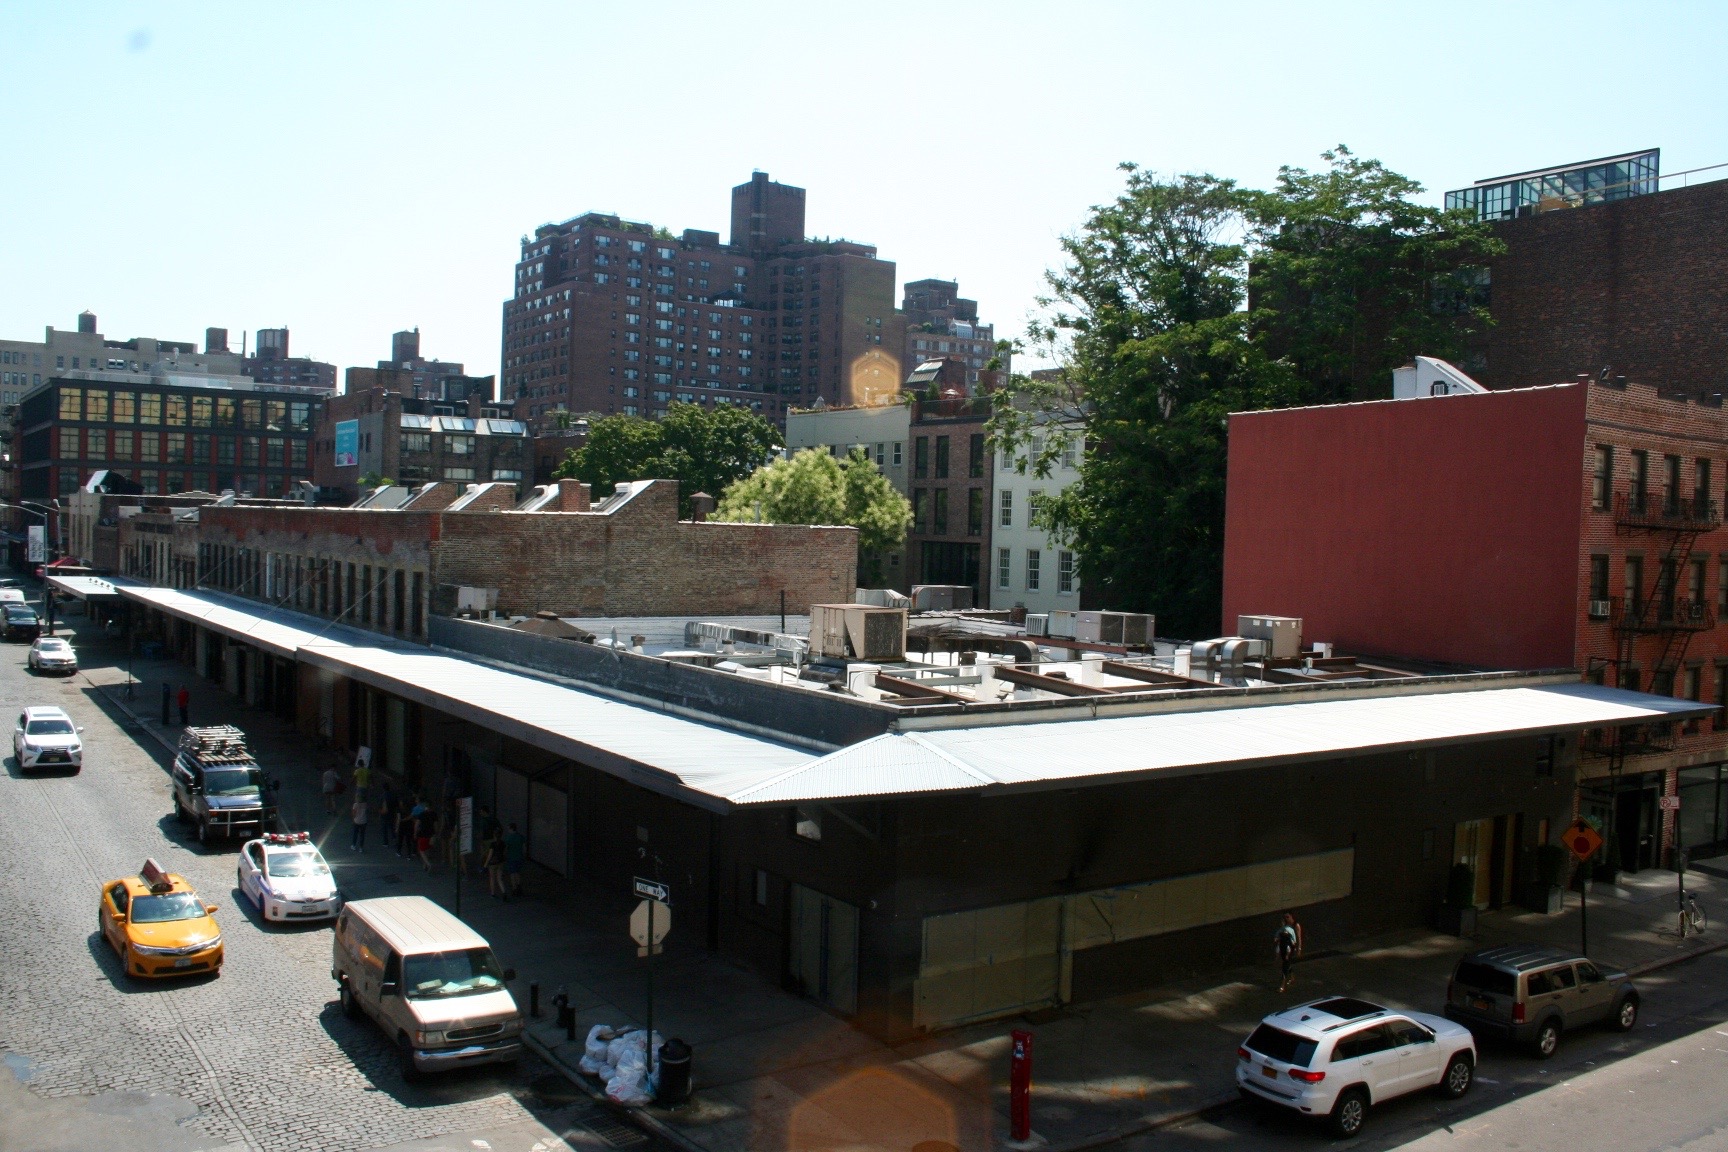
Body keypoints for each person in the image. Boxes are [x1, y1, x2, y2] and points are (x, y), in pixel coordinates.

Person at [1275, 912, 1304, 993]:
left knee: (1285, 964)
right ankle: (1292, 977)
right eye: (1285, 917)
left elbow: (1298, 938)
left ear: (1292, 917)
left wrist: (1299, 949)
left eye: (1288, 917)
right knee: (1286, 963)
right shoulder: (1285, 926)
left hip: (1291, 947)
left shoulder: (1296, 925)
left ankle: (1282, 985)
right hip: (1283, 946)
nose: (1286, 919)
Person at [503, 821, 527, 899]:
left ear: (511, 829)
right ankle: (519, 886)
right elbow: (524, 848)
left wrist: (504, 855)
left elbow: (506, 849)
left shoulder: (508, 838)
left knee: (512, 873)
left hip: (511, 857)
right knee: (517, 872)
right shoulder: (520, 837)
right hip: (519, 857)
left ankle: (514, 888)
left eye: (508, 828)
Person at [482, 827, 505, 899]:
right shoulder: (503, 843)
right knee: (500, 878)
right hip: (500, 862)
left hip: (492, 863)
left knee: (492, 878)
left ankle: (493, 893)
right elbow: (504, 853)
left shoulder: (493, 844)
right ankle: (504, 892)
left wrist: (485, 864)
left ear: (494, 835)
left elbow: (490, 855)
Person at [415, 806, 436, 873]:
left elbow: (417, 825)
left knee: (421, 850)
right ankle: (425, 865)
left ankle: (428, 864)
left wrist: (415, 833)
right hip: (431, 835)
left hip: (423, 835)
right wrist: (435, 834)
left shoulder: (421, 814)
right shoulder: (434, 814)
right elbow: (436, 825)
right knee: (427, 849)